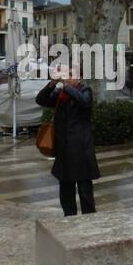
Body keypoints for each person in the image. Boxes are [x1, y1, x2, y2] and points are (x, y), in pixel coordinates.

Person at [36, 76, 101, 216]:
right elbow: (40, 100)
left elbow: (84, 102)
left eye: (71, 75)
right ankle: (69, 217)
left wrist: (67, 87)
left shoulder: (85, 90)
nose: (67, 78)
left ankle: (89, 219)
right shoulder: (60, 94)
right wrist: (52, 84)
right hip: (64, 149)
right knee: (65, 188)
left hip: (81, 149)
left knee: (85, 189)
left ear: (79, 79)